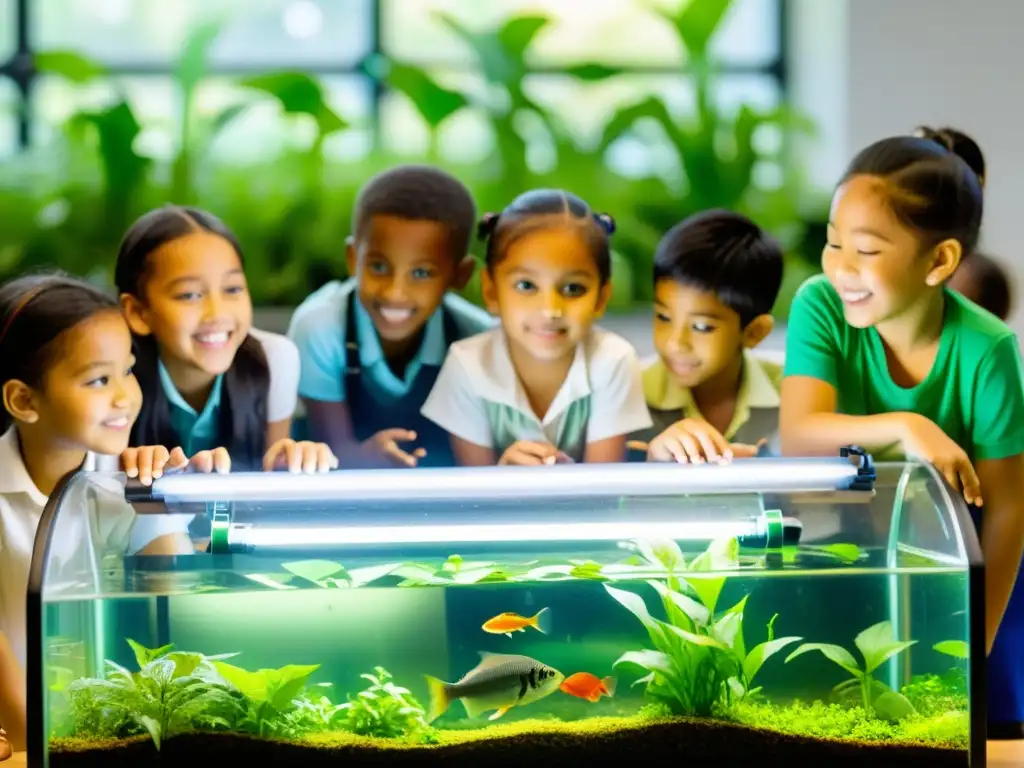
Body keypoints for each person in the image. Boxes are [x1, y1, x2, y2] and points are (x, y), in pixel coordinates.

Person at [779, 134, 1024, 734]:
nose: (840, 267)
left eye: (865, 250)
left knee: (982, 723)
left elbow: (1010, 509)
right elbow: (801, 436)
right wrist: (907, 426)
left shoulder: (989, 349)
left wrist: (976, 642)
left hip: (960, 566)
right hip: (851, 549)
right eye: (833, 243)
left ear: (939, 261)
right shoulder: (822, 304)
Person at [0, 273, 220, 751]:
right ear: (23, 400)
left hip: (110, 738)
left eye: (128, 369)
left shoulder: (128, 481)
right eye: (99, 379)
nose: (125, 395)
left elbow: (178, 618)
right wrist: (31, 748)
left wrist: (163, 503)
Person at [420, 189, 652, 465]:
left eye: (573, 288)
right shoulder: (467, 364)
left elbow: (603, 490)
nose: (550, 310)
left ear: (601, 298)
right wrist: (503, 475)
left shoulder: (613, 359)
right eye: (526, 286)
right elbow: (475, 494)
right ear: (491, 291)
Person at [286, 165, 494, 469]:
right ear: (353, 258)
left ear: (459, 275)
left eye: (421, 273)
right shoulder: (320, 329)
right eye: (379, 267)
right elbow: (331, 450)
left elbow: (479, 468)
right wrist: (367, 458)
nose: (396, 292)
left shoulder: (475, 338)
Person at [115, 205, 336, 474]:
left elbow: (272, 477)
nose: (217, 313)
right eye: (189, 295)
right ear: (138, 312)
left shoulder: (274, 359)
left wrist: (292, 459)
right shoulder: (113, 374)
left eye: (232, 289)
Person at [628, 209, 785, 464]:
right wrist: (652, 463)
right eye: (663, 318)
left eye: (701, 327)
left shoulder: (798, 394)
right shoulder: (624, 394)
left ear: (755, 332)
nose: (675, 343)